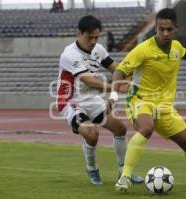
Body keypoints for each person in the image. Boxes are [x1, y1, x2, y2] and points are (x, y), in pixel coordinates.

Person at [109, 8, 186, 192]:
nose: (165, 33)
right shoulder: (143, 50)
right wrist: (113, 95)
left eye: (169, 29)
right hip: (140, 99)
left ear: (176, 28)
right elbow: (120, 71)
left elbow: (183, 53)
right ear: (156, 28)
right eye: (161, 29)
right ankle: (125, 177)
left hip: (165, 106)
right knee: (146, 128)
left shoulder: (176, 47)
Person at [56, 15, 143, 185]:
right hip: (71, 101)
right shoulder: (69, 54)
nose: (94, 41)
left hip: (92, 99)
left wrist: (134, 74)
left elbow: (116, 68)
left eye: (97, 37)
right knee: (92, 134)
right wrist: (115, 88)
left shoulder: (99, 49)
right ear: (79, 33)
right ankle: (92, 168)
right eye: (90, 37)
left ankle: (124, 171)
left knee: (120, 129)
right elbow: (87, 80)